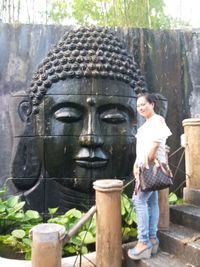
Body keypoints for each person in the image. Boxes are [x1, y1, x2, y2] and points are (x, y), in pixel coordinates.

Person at [11, 26, 150, 213]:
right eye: (68, 117)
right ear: (30, 116)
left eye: (114, 119)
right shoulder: (22, 213)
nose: (91, 138)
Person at [128, 93, 172, 260]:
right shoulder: (146, 124)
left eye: (143, 104)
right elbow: (142, 150)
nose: (140, 108)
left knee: (138, 200)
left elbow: (154, 147)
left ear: (152, 104)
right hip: (145, 167)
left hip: (149, 168)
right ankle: (153, 239)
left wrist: (141, 165)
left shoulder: (157, 120)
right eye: (138, 106)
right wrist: (135, 164)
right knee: (151, 201)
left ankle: (143, 241)